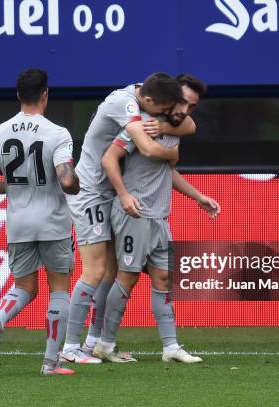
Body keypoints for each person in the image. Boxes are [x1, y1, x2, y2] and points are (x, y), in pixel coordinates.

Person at [60, 73, 196, 364]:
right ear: (149, 101)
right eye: (165, 108)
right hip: (90, 191)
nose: (174, 113)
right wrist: (171, 155)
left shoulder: (144, 98)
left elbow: (189, 124)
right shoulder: (126, 104)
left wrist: (162, 124)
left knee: (109, 273)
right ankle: (70, 347)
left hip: (108, 193)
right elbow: (145, 148)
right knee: (95, 271)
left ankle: (95, 343)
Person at [95, 77, 220, 363]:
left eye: (193, 106)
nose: (187, 110)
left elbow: (167, 171)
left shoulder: (174, 129)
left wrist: (197, 196)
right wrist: (124, 195)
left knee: (163, 278)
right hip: (134, 213)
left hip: (160, 215)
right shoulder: (140, 125)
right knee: (126, 278)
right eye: (183, 103)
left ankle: (170, 348)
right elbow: (109, 158)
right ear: (170, 99)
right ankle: (104, 343)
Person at [0, 68, 80, 375]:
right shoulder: (57, 133)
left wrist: (10, 186)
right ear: (45, 94)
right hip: (53, 223)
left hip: (18, 223)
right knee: (59, 288)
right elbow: (65, 178)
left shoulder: (0, 132)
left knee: (24, 287)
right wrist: (75, 184)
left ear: (18, 95)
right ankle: (50, 362)